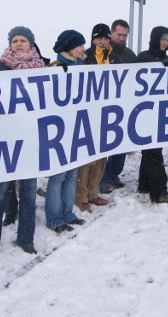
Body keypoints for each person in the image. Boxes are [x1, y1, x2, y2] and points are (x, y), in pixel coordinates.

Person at [0, 27, 46, 257]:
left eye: (23, 40)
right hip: (6, 141)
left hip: (31, 139)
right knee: (0, 190)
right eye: (15, 41)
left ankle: (26, 238)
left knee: (29, 191)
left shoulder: (42, 70)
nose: (19, 44)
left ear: (32, 44)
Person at [44, 29, 88, 232]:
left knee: (71, 175)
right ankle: (54, 217)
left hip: (76, 128)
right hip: (58, 131)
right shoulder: (56, 68)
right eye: (80, 45)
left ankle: (68, 213)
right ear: (70, 46)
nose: (83, 49)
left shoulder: (82, 67)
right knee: (58, 176)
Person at [70, 23, 116, 213]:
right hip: (86, 113)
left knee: (100, 157)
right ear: (93, 39)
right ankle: (80, 197)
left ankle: (93, 193)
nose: (103, 41)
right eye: (99, 38)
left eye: (106, 38)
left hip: (105, 113)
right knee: (85, 158)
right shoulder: (85, 57)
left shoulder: (114, 58)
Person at [135, 26, 168, 204]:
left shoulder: (167, 59)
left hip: (160, 110)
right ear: (155, 39)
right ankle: (159, 192)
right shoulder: (142, 58)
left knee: (151, 150)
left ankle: (145, 184)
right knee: (153, 152)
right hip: (144, 110)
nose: (165, 43)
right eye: (163, 39)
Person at [99, 19, 138, 194]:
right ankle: (102, 178)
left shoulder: (131, 55)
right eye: (119, 34)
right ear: (112, 34)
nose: (122, 38)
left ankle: (114, 174)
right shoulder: (102, 52)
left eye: (125, 35)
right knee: (104, 144)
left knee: (121, 141)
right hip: (104, 105)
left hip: (125, 104)